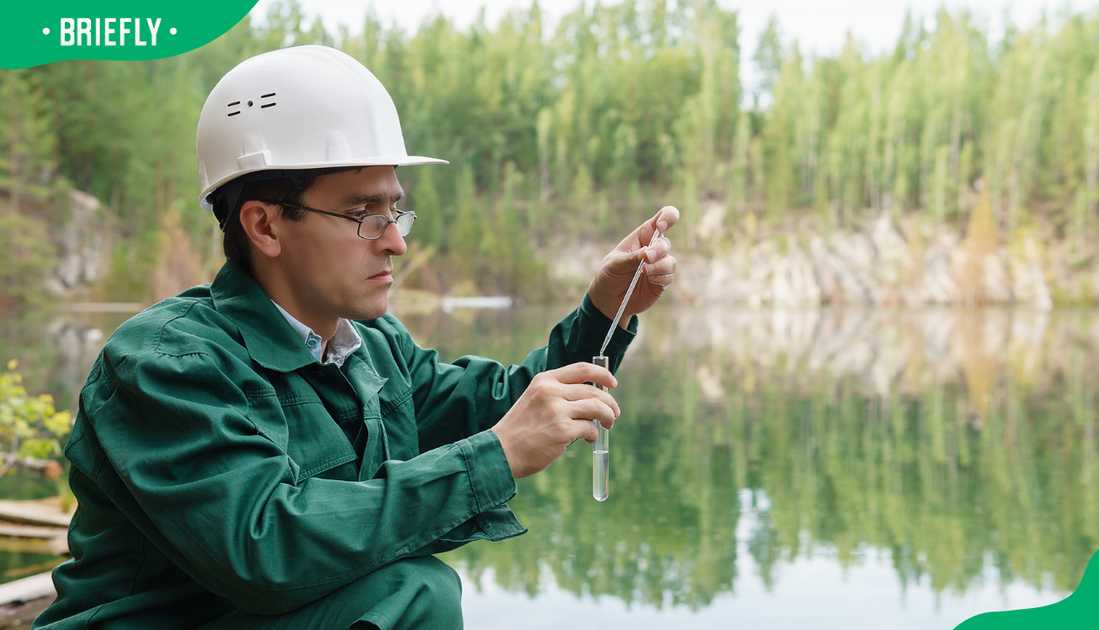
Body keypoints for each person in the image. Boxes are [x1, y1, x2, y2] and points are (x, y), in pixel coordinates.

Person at [35, 45, 678, 629]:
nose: (397, 240)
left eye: (395, 209)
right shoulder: (166, 364)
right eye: (365, 214)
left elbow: (507, 406)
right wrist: (495, 457)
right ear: (264, 226)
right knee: (413, 593)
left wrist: (606, 310)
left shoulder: (369, 344)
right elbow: (264, 548)